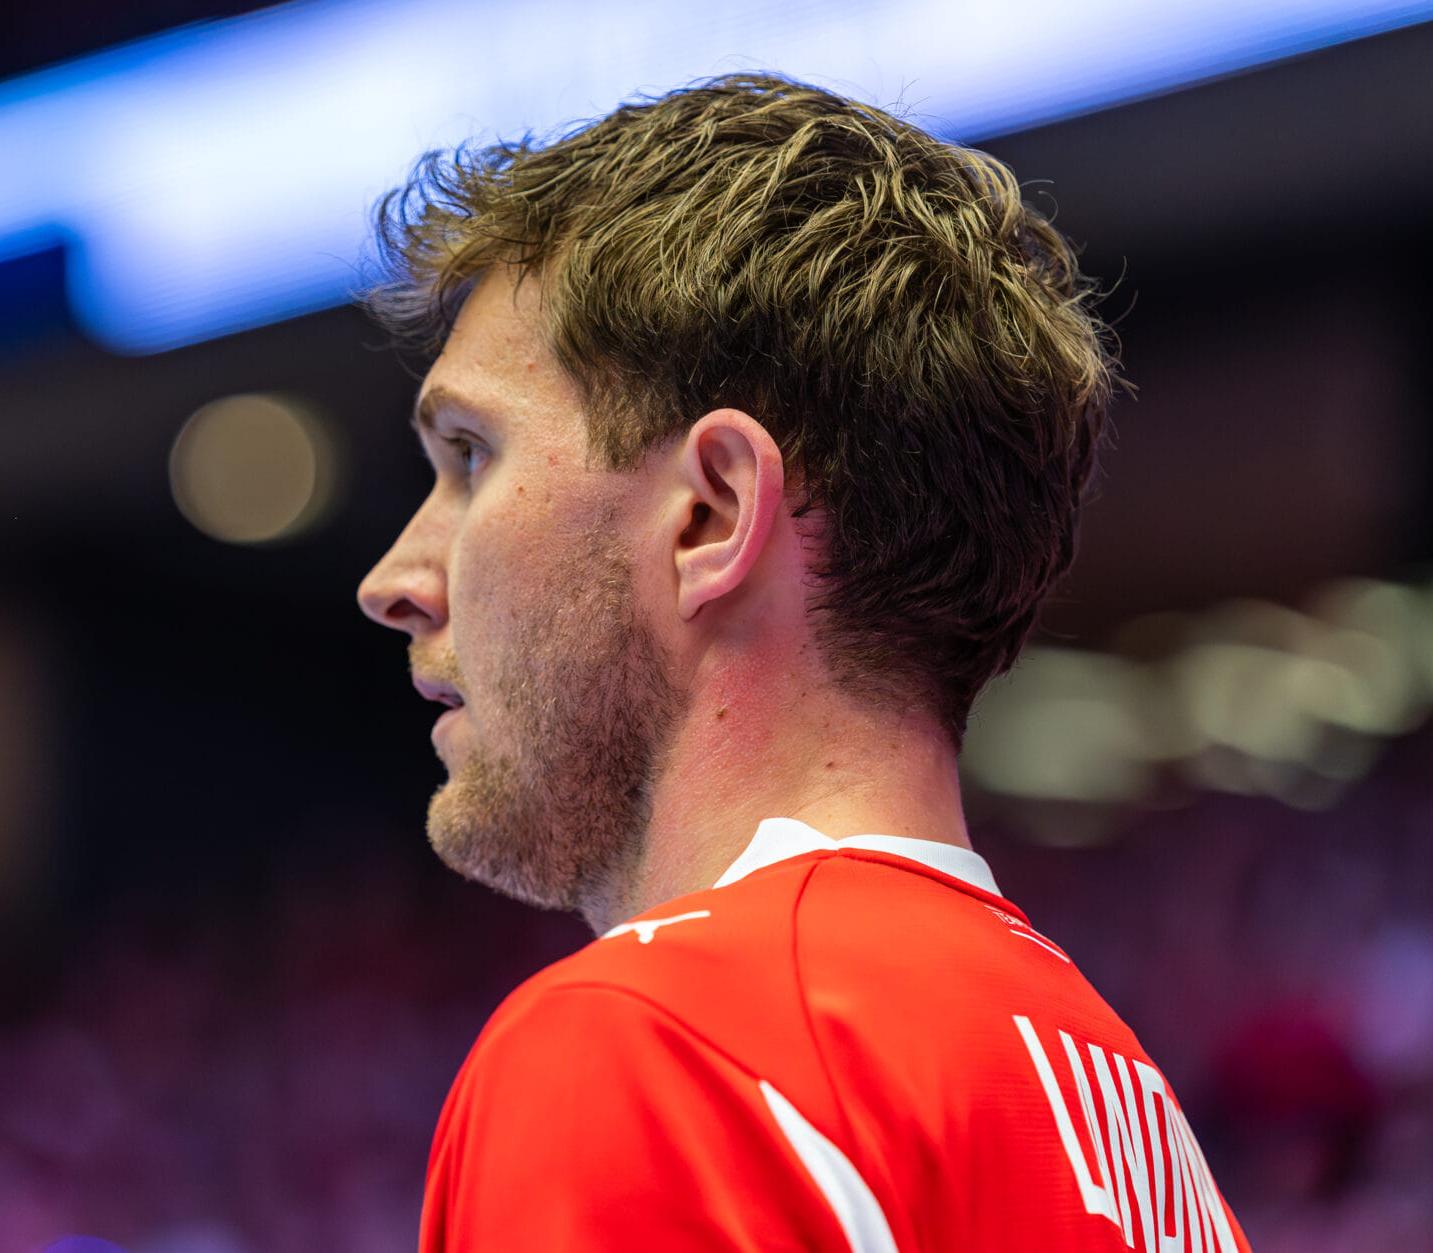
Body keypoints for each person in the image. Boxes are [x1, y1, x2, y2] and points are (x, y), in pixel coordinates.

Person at [355, 74, 1249, 1252]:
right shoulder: (1131, 1117)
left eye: (472, 455)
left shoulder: (649, 1042)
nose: (394, 579)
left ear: (709, 514)